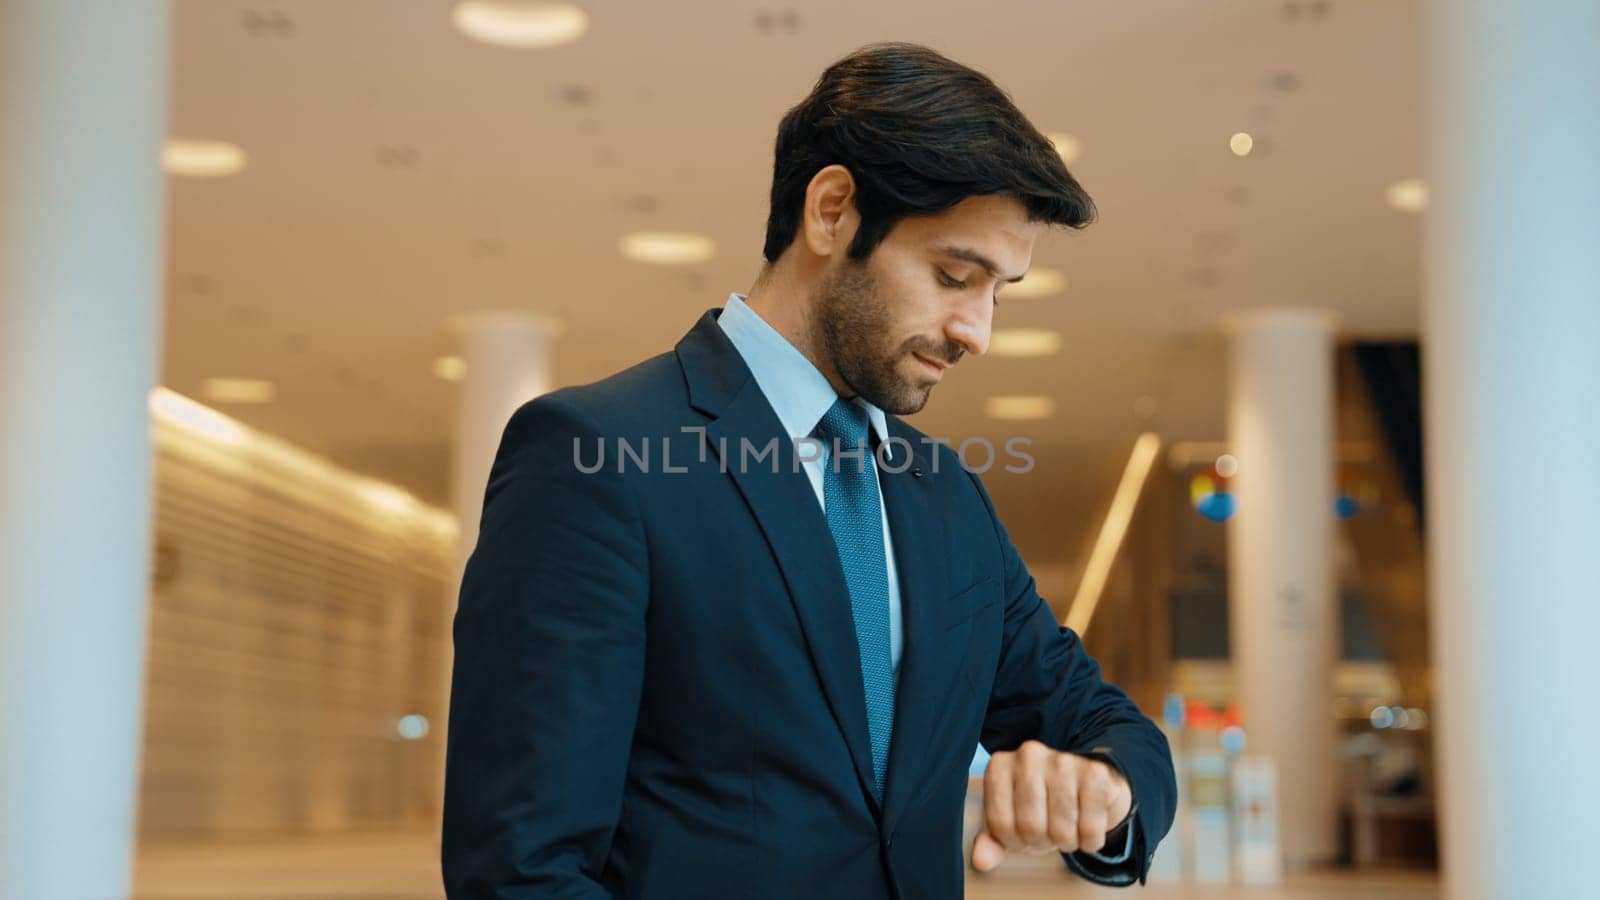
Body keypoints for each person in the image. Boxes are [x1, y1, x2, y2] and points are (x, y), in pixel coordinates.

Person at [441, 41, 1176, 900]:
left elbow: (1104, 723)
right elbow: (522, 871)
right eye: (952, 275)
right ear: (831, 211)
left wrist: (1106, 791)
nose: (978, 331)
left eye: (998, 293)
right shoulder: (594, 456)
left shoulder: (946, 497)